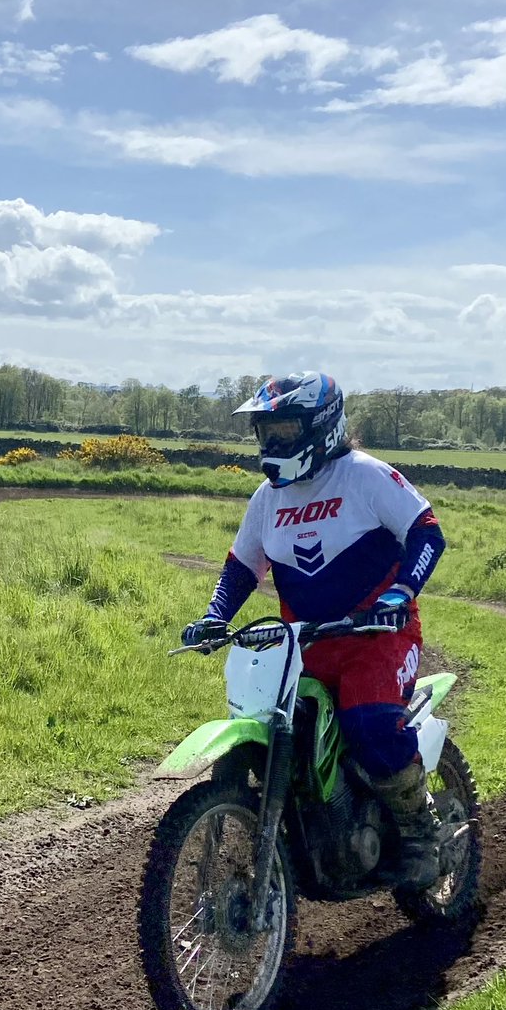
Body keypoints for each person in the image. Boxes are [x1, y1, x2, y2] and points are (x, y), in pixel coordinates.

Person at [182, 371, 447, 889]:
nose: (274, 443)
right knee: (277, 730)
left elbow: (426, 532)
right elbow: (242, 567)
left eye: (284, 430)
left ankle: (421, 832)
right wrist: (216, 614)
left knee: (368, 723)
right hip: (302, 644)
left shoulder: (365, 477)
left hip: (378, 636)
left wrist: (402, 593)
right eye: (267, 433)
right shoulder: (267, 499)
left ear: (321, 426)